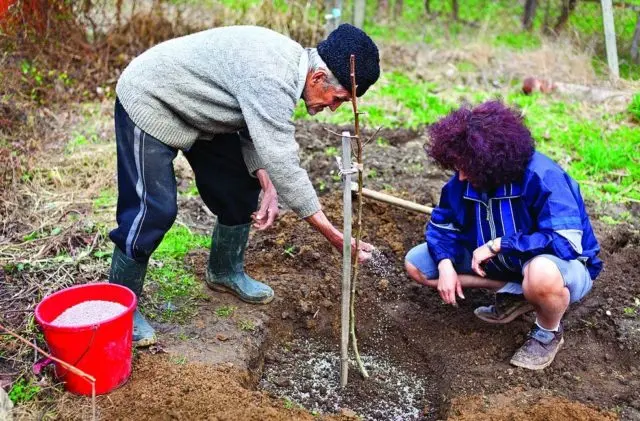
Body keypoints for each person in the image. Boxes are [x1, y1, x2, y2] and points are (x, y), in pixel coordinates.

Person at [108, 24, 380, 347]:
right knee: (153, 210)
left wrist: (266, 182)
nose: (332, 108)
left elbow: (255, 127)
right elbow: (284, 163)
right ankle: (119, 310)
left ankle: (224, 271)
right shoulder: (273, 75)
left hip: (201, 109)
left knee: (239, 189)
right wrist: (336, 236)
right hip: (152, 99)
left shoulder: (291, 71)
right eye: (337, 99)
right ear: (319, 78)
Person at [404, 101, 602, 370]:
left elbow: (565, 242)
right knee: (418, 264)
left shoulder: (543, 176)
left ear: (489, 162)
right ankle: (516, 293)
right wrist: (445, 264)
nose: (460, 176)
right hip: (507, 266)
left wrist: (501, 244)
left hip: (561, 268)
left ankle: (547, 333)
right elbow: (442, 224)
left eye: (466, 167)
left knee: (541, 273)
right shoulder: (462, 182)